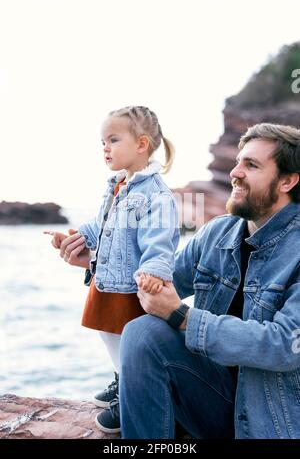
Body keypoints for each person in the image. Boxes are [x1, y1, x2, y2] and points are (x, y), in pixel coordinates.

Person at [118, 122, 300, 439]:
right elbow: (161, 277)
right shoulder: (219, 232)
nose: (235, 173)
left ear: (287, 181)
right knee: (144, 332)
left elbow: (286, 346)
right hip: (215, 403)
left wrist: (183, 317)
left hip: (271, 420)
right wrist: (100, 261)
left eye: (251, 165)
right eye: (238, 162)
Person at [45, 105, 180, 434]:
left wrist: (152, 272)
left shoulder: (155, 195)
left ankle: (132, 393)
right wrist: (77, 237)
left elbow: (160, 241)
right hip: (107, 280)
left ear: (141, 144)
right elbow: (100, 225)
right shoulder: (117, 186)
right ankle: (122, 379)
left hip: (131, 284)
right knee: (108, 333)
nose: (105, 147)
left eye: (113, 139)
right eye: (102, 141)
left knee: (127, 339)